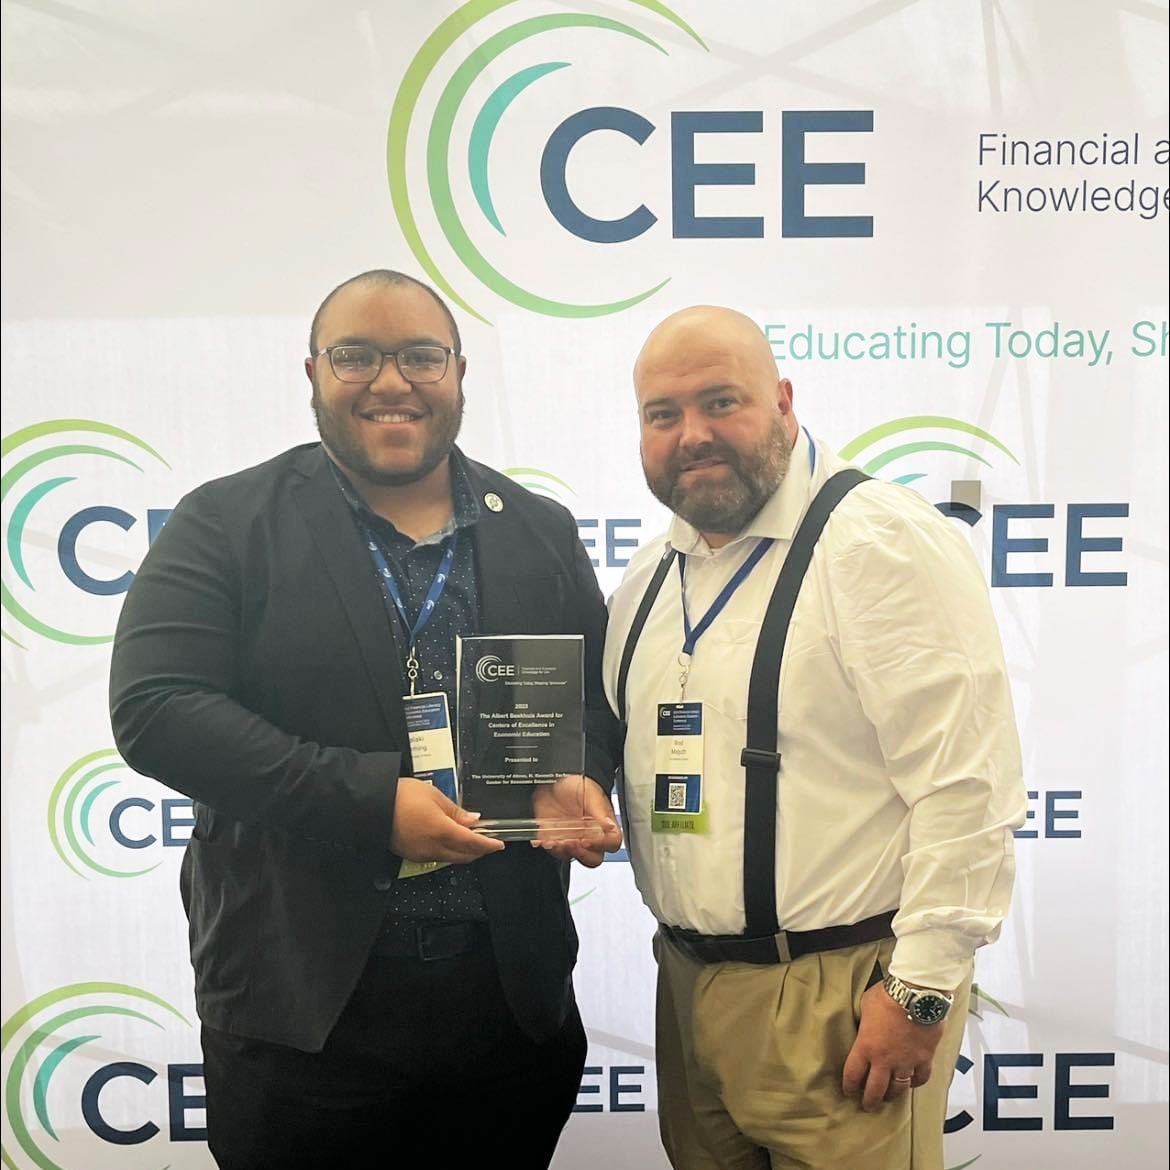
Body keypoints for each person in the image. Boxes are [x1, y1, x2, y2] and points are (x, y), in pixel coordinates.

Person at [109, 269, 622, 1170]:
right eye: (358, 357)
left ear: (460, 373)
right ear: (312, 371)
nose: (392, 382)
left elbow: (595, 701)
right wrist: (372, 801)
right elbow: (157, 708)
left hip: (505, 1003)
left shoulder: (535, 528)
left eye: (421, 357)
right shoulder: (227, 523)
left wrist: (581, 773)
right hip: (302, 1009)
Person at [602, 306, 1027, 1170]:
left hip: (840, 998)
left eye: (722, 402)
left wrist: (918, 993)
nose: (694, 435)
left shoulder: (877, 541)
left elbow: (968, 786)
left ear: (785, 401)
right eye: (664, 414)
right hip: (686, 986)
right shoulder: (651, 575)